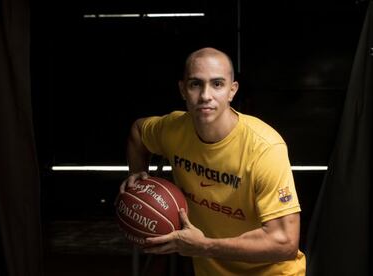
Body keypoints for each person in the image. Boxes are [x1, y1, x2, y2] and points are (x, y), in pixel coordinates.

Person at [120, 47, 306, 275]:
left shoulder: (264, 148)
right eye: (195, 84)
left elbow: (284, 243)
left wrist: (204, 247)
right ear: (183, 90)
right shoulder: (173, 130)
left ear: (232, 90)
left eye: (217, 84)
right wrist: (136, 173)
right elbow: (138, 132)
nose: (205, 95)